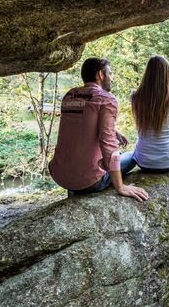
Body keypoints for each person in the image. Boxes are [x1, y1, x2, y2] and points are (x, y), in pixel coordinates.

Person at [49, 57, 149, 202]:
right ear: (100, 75)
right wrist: (120, 187)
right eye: (110, 73)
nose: (111, 78)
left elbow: (81, 124)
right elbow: (108, 144)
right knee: (134, 155)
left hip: (59, 176)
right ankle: (87, 182)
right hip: (90, 182)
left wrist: (114, 132)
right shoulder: (106, 99)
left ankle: (74, 188)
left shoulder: (69, 96)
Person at [120, 55, 169, 174]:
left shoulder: (135, 97)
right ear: (167, 75)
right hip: (168, 163)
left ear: (147, 74)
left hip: (142, 162)